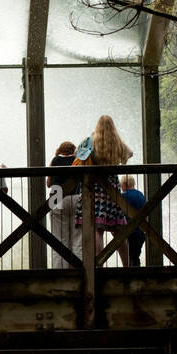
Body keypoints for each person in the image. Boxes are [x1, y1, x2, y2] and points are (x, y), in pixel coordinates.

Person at [72, 115, 133, 263]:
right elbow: (129, 153)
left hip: (95, 189)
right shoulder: (117, 142)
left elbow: (77, 154)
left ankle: (99, 265)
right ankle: (127, 266)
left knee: (96, 230)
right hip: (113, 189)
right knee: (118, 230)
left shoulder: (91, 141)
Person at [48, 141, 78, 269]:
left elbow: (49, 183)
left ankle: (59, 270)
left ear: (60, 150)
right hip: (76, 196)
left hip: (56, 196)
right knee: (76, 238)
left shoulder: (54, 160)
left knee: (59, 239)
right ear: (73, 150)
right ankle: (77, 268)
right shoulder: (77, 160)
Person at [120, 173, 147, 266]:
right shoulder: (141, 194)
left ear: (125, 184)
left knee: (129, 256)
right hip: (141, 232)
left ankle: (129, 276)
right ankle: (138, 275)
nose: (121, 187)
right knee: (136, 256)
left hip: (129, 232)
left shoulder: (123, 196)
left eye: (121, 185)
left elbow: (119, 213)